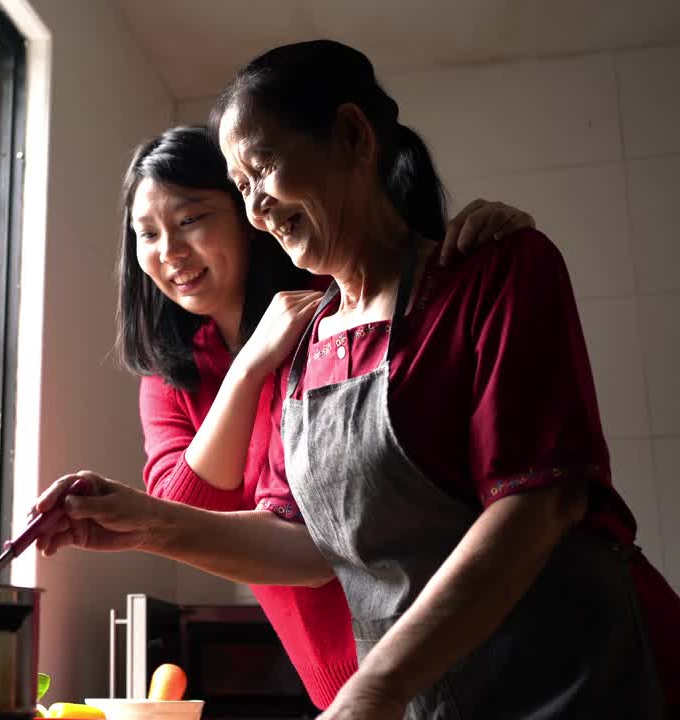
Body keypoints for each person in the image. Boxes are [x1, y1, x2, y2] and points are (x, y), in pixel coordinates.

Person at [35, 41, 680, 719]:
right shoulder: (307, 346)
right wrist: (143, 519)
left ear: (354, 136)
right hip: (437, 696)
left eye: (263, 169)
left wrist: (377, 686)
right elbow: (304, 541)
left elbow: (539, 502)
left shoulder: (494, 271)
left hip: (581, 678)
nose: (258, 209)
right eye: (242, 188)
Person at [114, 125, 535, 708]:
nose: (170, 252)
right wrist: (249, 367)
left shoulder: (337, 305)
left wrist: (484, 233)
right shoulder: (171, 373)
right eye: (148, 233)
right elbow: (186, 514)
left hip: (446, 646)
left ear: (248, 214)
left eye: (191, 220)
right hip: (335, 675)